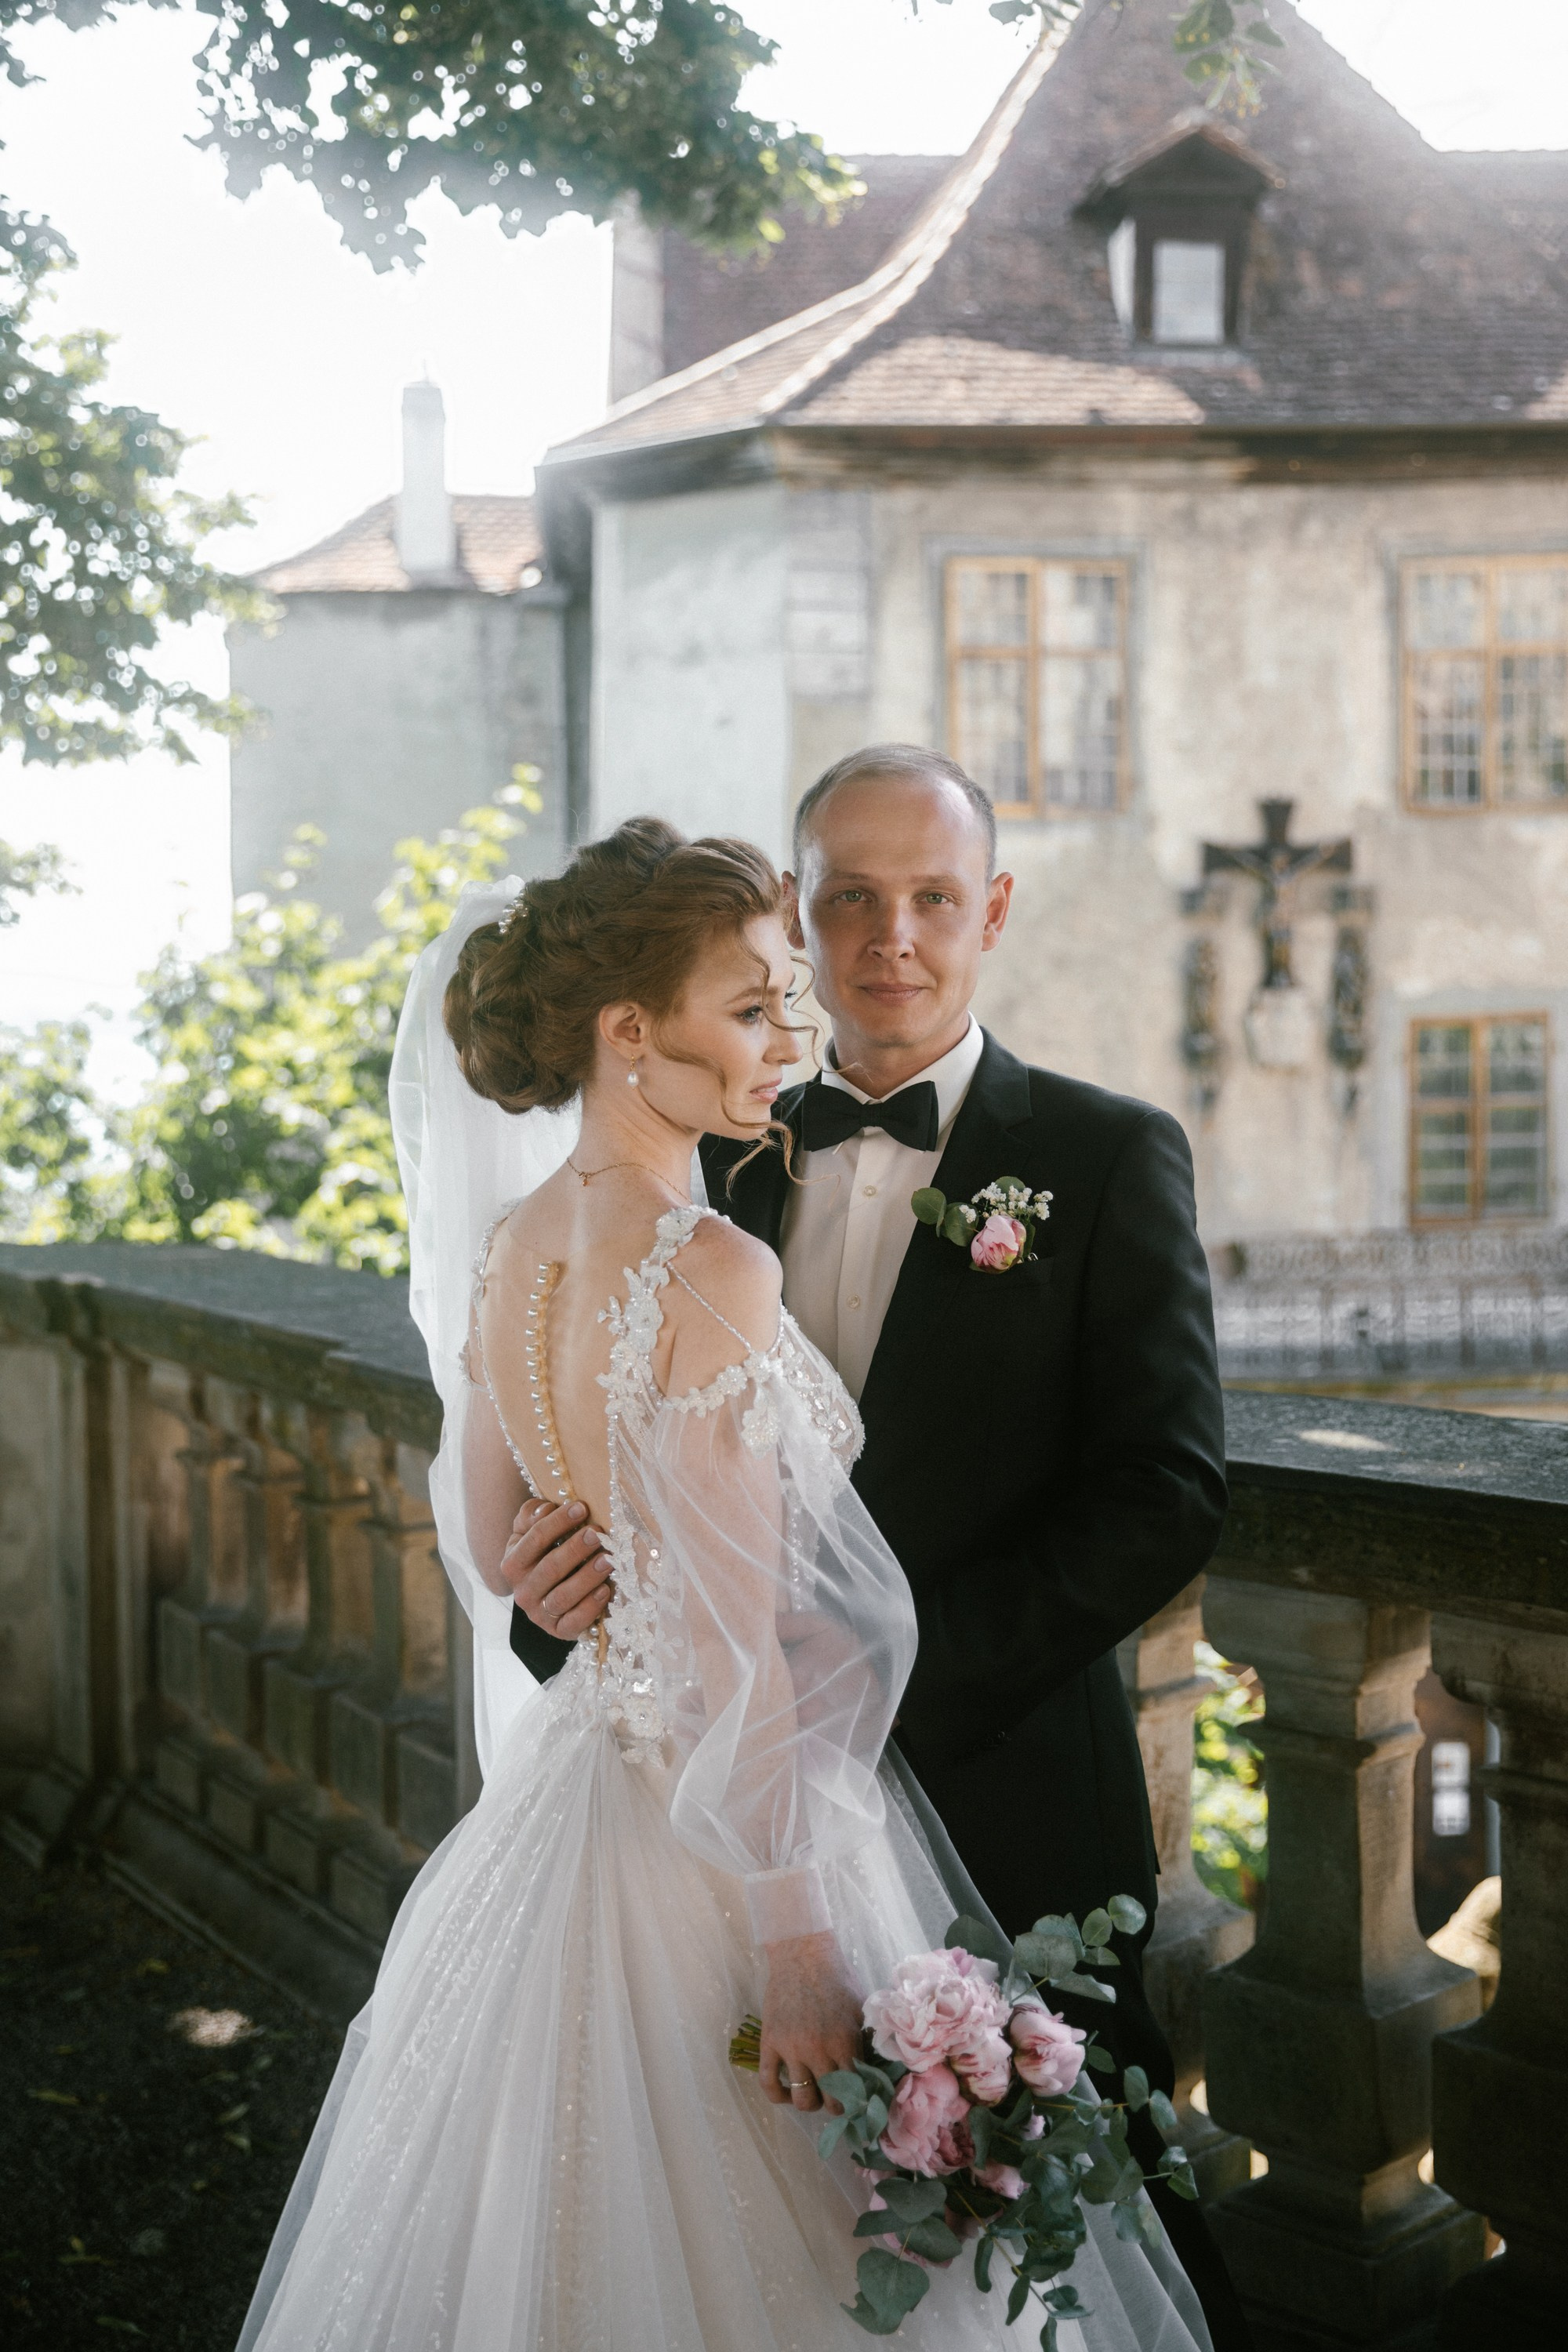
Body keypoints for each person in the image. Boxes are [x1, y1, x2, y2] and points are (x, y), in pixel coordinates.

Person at [235, 817, 1213, 2352]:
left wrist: (575, 1585)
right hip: (722, 1842)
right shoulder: (707, 1267)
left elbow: (506, 1538)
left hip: (566, 1816)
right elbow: (733, 1647)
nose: (788, 1036)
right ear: (630, 1031)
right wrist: (797, 1938)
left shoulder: (512, 1246)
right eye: (751, 1005)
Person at [504, 754, 1248, 2352]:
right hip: (720, 1828)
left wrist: (877, 1674)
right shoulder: (687, 1147)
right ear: (797, 906)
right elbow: (602, 1469)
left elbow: (1167, 1486)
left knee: (1083, 2232)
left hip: (1005, 1788)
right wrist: (543, 1589)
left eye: (928, 897)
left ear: (988, 912)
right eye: (846, 896)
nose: (886, 935)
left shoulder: (1111, 1154)